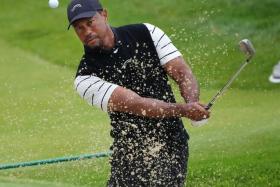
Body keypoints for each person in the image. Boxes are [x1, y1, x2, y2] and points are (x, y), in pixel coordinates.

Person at [67, 0, 210, 186]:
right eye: (79, 28)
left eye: (90, 22)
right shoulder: (85, 77)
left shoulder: (146, 32)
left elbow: (182, 73)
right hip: (130, 151)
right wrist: (185, 109)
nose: (87, 31)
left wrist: (193, 104)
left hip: (172, 143)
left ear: (104, 15)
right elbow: (137, 104)